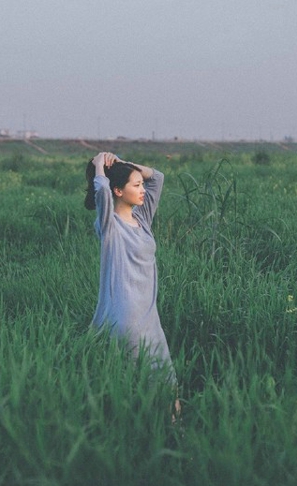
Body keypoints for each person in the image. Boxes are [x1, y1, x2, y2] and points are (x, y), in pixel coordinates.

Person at [85, 152, 179, 407]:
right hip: (127, 319)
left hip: (149, 317)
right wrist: (98, 167)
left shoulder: (142, 219)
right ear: (117, 191)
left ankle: (175, 435)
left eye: (140, 185)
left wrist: (124, 164)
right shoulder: (109, 226)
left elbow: (157, 178)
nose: (142, 191)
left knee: (166, 384)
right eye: (135, 186)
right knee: (138, 389)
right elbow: (101, 193)